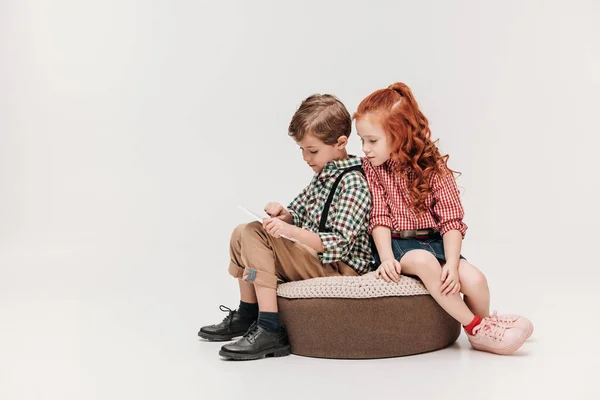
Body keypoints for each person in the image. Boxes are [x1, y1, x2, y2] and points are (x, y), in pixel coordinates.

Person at [354, 82, 533, 355]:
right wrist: (387, 257)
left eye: (372, 140)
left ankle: (484, 329)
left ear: (399, 134)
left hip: (435, 242)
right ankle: (475, 325)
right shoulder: (373, 167)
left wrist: (451, 263)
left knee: (475, 280)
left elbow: (451, 221)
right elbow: (379, 217)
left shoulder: (433, 166)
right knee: (424, 262)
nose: (365, 148)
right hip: (397, 245)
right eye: (362, 140)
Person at [198, 94, 373, 360]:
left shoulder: (353, 183)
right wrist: (284, 216)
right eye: (302, 149)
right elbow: (300, 211)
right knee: (241, 231)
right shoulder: (323, 177)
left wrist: (290, 232)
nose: (305, 157)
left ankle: (270, 328)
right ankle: (248, 313)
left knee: (254, 233)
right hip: (316, 258)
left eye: (312, 150)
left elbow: (338, 243)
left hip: (341, 267)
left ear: (340, 143)